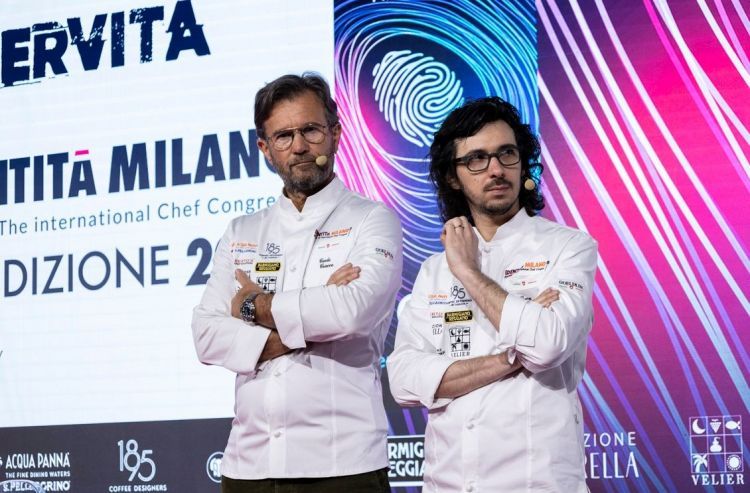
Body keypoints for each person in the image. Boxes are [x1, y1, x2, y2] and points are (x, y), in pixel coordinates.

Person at [192, 73, 402, 492]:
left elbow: (353, 311)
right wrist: (316, 311)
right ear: (265, 150)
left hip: (343, 466)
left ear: (336, 133)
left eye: (310, 129)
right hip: (248, 466)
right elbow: (207, 334)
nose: (300, 146)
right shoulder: (242, 230)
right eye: (283, 136)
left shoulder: (371, 219)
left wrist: (252, 306)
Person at [388, 96, 597, 492]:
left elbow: (549, 345)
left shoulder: (568, 247)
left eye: (507, 154)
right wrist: (511, 356)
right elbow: (403, 382)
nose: (497, 169)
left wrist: (468, 272)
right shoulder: (434, 269)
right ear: (453, 177)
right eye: (477, 159)